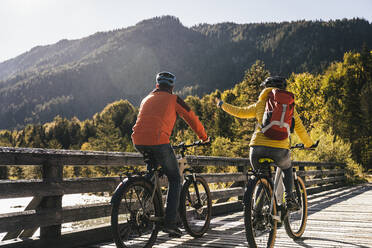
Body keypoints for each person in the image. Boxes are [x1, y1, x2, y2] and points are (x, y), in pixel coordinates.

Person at [215, 76, 315, 211]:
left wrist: (222, 104)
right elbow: (300, 129)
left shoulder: (260, 104)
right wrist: (309, 144)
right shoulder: (288, 106)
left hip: (256, 148)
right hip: (279, 149)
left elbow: (239, 111)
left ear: (266, 88)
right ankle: (290, 198)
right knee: (287, 168)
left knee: (261, 178)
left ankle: (257, 216)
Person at [132, 71, 209, 237]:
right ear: (172, 86)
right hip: (159, 142)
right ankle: (170, 223)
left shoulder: (146, 98)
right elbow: (191, 117)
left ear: (157, 85)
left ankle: (145, 205)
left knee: (152, 172)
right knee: (175, 179)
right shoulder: (174, 99)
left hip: (138, 141)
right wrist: (204, 137)